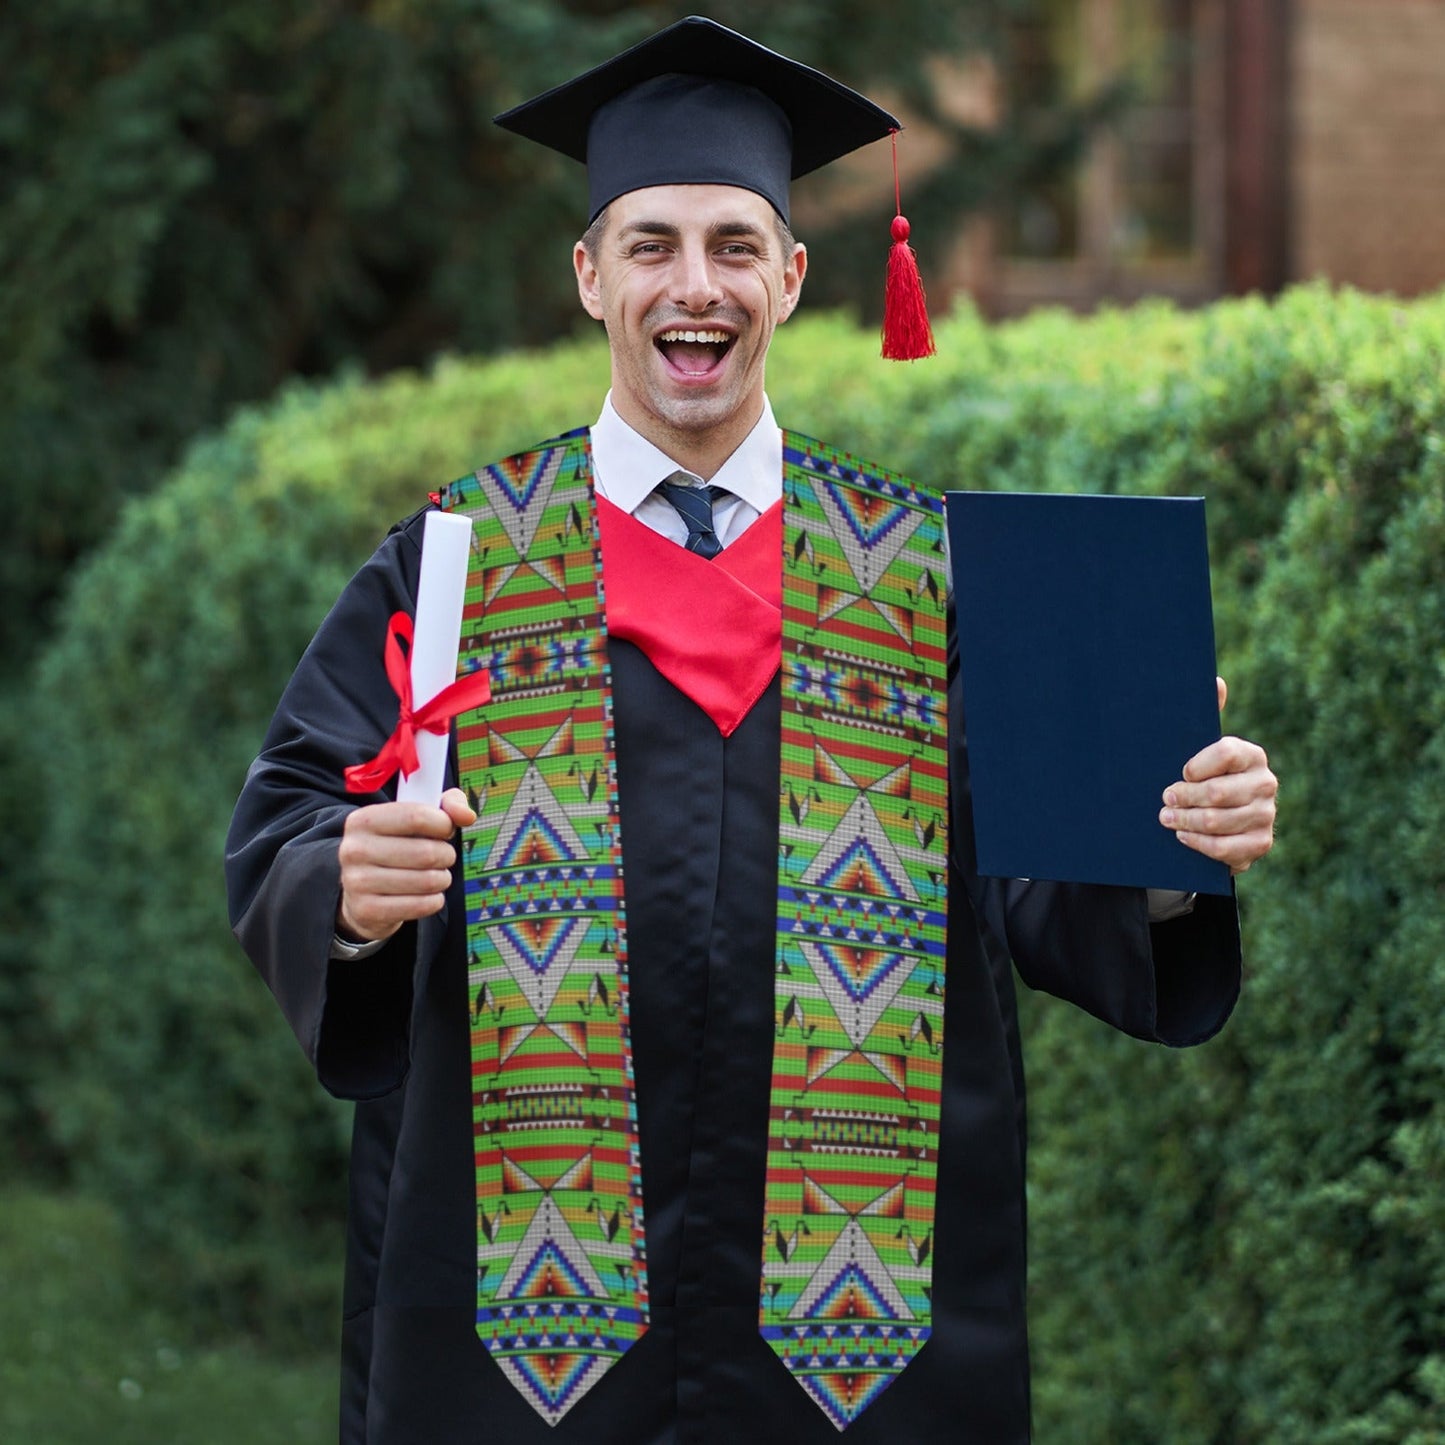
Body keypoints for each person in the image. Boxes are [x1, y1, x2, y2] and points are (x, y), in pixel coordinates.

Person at [225, 17, 1277, 1445]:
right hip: (523, 1338)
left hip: (861, 1337)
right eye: (650, 244)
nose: (692, 285)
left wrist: (1166, 843)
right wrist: (342, 888)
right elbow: (289, 818)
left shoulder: (929, 576)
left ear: (789, 275)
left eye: (732, 244)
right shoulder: (458, 563)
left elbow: (1043, 888)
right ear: (589, 275)